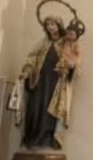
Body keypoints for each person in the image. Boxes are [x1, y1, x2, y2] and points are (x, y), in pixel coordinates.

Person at [18, 16, 66, 150]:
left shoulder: (64, 44)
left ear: (59, 25)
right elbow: (32, 58)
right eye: (48, 25)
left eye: (53, 24)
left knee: (50, 109)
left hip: (54, 83)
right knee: (35, 108)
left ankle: (46, 138)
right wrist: (26, 71)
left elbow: (70, 60)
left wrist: (65, 66)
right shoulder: (43, 43)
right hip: (39, 81)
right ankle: (33, 137)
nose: (50, 27)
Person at [50, 18, 85, 138]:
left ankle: (57, 131)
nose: (70, 35)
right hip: (54, 76)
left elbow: (77, 63)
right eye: (69, 32)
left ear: (76, 36)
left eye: (72, 33)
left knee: (62, 103)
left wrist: (70, 65)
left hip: (65, 78)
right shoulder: (61, 43)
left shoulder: (77, 47)